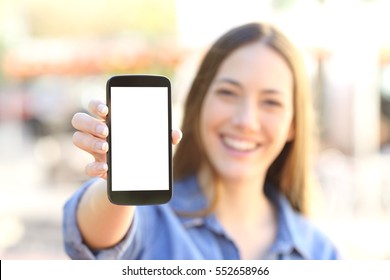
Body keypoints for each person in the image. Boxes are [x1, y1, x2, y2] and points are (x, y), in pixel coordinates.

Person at [64, 22, 340, 260]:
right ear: (199, 103)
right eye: (228, 93)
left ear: (293, 124)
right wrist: (116, 181)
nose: (246, 121)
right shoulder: (150, 218)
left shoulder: (320, 254)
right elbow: (95, 233)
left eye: (270, 102)